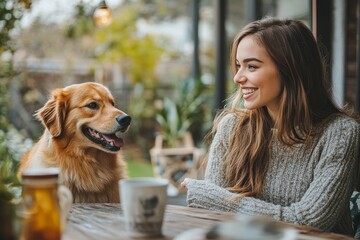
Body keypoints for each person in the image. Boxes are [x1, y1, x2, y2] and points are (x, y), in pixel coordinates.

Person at [181, 17, 360, 236]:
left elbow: (309, 223)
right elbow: (216, 220)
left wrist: (213, 198)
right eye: (238, 66)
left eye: (252, 66)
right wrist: (217, 202)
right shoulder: (232, 127)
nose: (238, 77)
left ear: (291, 70)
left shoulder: (340, 133)